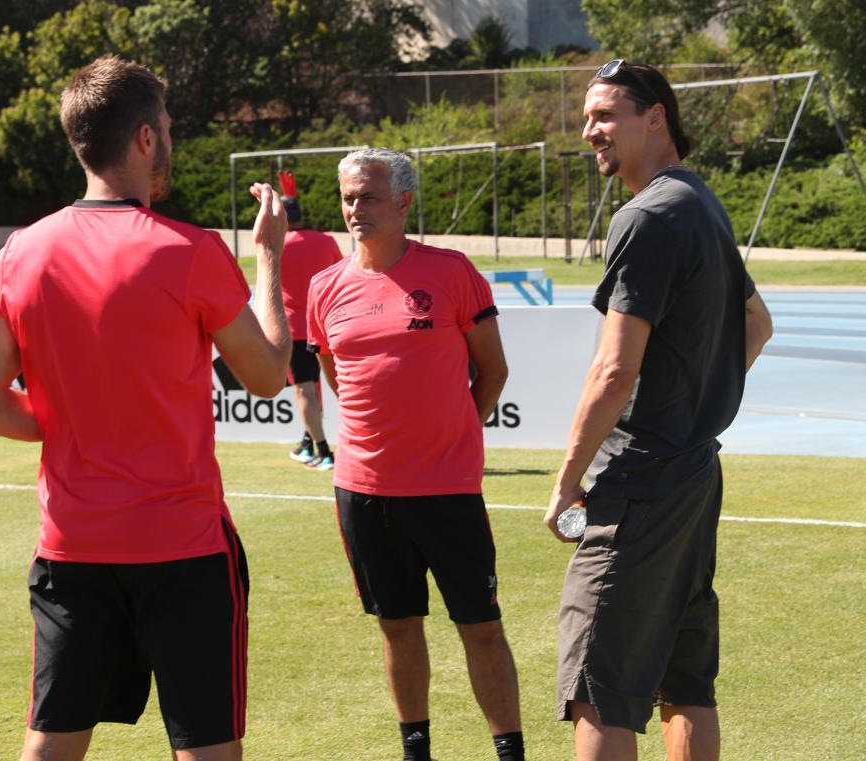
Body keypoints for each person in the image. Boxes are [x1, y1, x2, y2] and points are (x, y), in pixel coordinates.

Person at [0, 55, 291, 761]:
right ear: (144, 139)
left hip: (72, 546)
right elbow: (267, 375)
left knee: (50, 746)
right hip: (183, 548)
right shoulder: (190, 251)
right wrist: (268, 259)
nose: (169, 139)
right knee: (206, 748)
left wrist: (73, 423)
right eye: (166, 126)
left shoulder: (21, 253)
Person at [544, 60, 774, 761]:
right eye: (587, 118)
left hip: (640, 479)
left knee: (602, 687)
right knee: (685, 680)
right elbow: (757, 324)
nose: (590, 131)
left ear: (656, 117)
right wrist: (694, 401)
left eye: (605, 115)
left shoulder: (646, 215)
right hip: (693, 474)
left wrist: (566, 480)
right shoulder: (701, 202)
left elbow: (615, 369)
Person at [307, 147, 525, 761]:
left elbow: (493, 370)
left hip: (447, 490)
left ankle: (510, 751)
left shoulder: (453, 273)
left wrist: (454, 432)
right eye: (348, 197)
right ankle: (417, 751)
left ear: (403, 202)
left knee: (481, 628)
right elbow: (335, 372)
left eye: (368, 197)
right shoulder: (325, 287)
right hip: (364, 491)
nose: (355, 209)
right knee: (397, 626)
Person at [279, 181, 343, 470]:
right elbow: (341, 277)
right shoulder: (327, 241)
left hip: (295, 328)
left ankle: (323, 450)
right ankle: (309, 441)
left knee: (304, 389)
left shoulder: (276, 245)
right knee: (321, 387)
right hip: (328, 325)